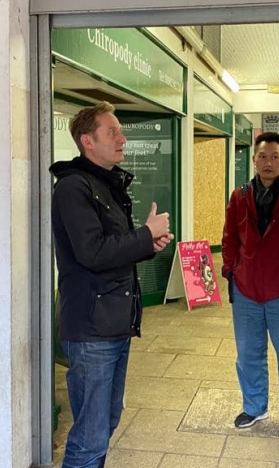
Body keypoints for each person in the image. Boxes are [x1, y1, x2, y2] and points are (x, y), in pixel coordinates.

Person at [50, 101, 174, 468]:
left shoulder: (105, 184)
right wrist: (144, 234)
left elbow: (111, 250)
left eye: (120, 131)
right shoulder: (74, 188)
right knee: (90, 435)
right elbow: (91, 252)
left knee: (106, 422)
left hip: (114, 323)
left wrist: (146, 244)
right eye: (112, 132)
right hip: (91, 329)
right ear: (87, 141)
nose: (122, 138)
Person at [221, 132, 279, 439]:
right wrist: (232, 269)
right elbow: (229, 238)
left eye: (275, 156)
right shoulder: (240, 195)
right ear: (254, 160)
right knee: (248, 352)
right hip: (247, 289)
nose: (268, 162)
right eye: (262, 156)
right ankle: (254, 406)